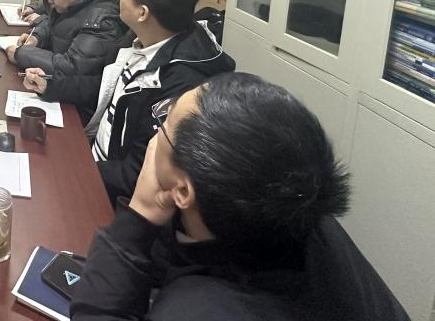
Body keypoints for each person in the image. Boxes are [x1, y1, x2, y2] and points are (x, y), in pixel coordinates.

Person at [70, 73, 409, 321]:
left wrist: (140, 212)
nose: (155, 136)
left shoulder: (200, 310)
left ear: (184, 190)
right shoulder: (291, 210)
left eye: (164, 126)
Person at [23, 0, 234, 202]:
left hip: (112, 193)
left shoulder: (180, 82)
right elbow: (106, 85)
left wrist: (75, 170)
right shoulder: (143, 39)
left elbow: (140, 173)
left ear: (142, 12)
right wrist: (50, 85)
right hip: (94, 161)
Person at [7, 0, 125, 81]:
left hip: (75, 87)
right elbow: (56, 27)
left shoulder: (100, 21)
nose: (49, 1)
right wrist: (37, 38)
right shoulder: (74, 1)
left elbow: (71, 67)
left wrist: (20, 54)